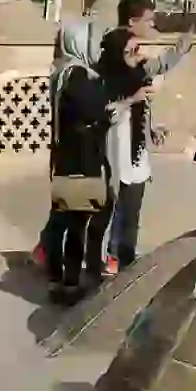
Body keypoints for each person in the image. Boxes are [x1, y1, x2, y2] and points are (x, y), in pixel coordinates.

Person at [47, 21, 149, 306]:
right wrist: (124, 104)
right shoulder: (77, 76)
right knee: (77, 225)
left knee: (65, 222)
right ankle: (70, 285)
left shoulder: (63, 73)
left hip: (69, 158)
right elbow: (95, 112)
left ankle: (61, 280)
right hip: (81, 160)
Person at [96, 0, 194, 273]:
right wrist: (132, 98)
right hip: (117, 151)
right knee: (118, 207)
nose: (139, 54)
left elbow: (160, 65)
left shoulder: (136, 71)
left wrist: (150, 129)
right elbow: (107, 112)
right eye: (133, 51)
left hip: (136, 151)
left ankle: (127, 254)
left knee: (134, 207)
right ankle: (112, 256)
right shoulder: (109, 79)